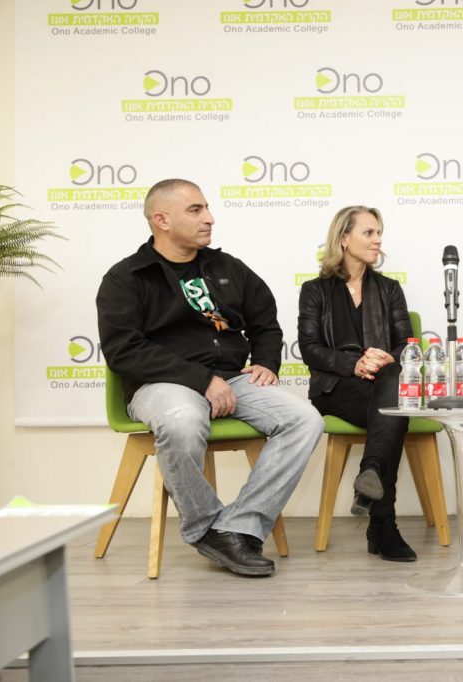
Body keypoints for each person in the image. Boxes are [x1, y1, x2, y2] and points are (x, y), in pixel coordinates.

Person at [96, 179, 323, 577]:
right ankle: (204, 528)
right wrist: (200, 380)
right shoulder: (127, 277)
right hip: (161, 383)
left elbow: (265, 321)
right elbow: (123, 351)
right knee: (182, 421)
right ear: (162, 220)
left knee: (305, 419)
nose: (210, 218)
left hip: (232, 378)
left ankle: (238, 527)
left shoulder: (226, 268)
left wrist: (266, 362)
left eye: (207, 208)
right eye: (196, 210)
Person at [297, 206, 417, 562]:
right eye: (368, 232)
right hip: (335, 389)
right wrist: (354, 364)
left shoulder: (389, 289)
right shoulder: (315, 290)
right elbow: (310, 349)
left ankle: (371, 472)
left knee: (391, 393)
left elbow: (407, 346)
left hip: (383, 383)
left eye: (379, 233)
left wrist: (386, 358)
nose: (377, 240)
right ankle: (383, 526)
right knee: (394, 413)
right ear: (344, 238)